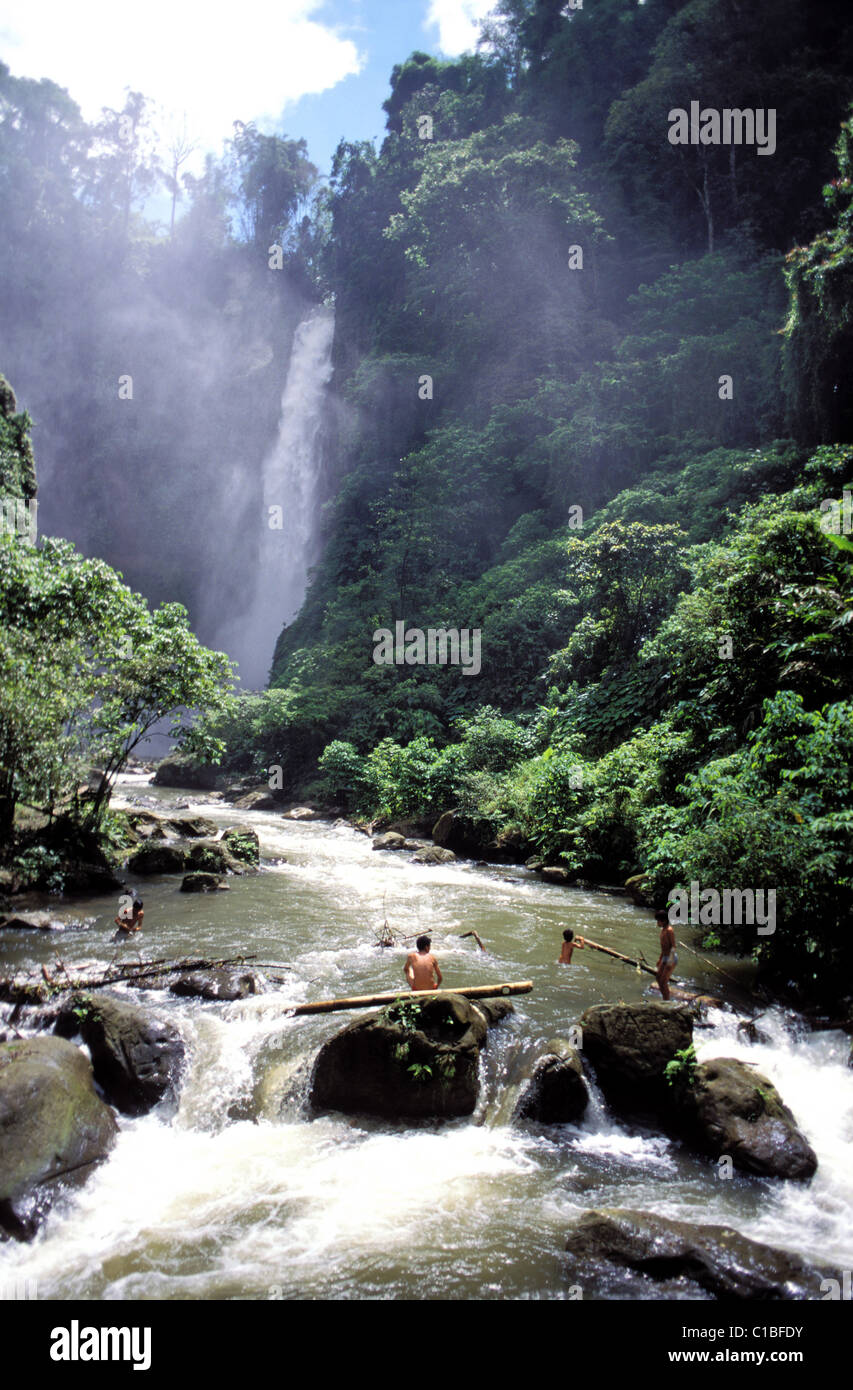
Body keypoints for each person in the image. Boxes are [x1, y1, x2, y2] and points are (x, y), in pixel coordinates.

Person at [655, 908, 678, 1000]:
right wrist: (660, 959)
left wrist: (670, 961)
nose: (657, 923)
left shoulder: (669, 930)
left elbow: (673, 946)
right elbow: (664, 947)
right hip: (664, 957)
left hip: (671, 958)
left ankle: (667, 1001)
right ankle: (665, 998)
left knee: (663, 981)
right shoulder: (663, 930)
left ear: (664, 921)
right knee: (658, 978)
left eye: (658, 921)